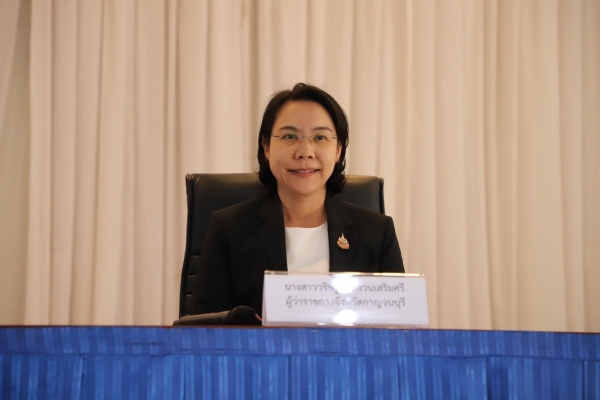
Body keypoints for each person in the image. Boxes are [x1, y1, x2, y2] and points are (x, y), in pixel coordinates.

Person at [192, 83, 404, 316]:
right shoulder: (229, 229)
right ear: (266, 147)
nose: (305, 152)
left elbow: (398, 325)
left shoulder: (377, 232)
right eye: (290, 136)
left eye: (320, 137)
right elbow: (204, 329)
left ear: (338, 150)